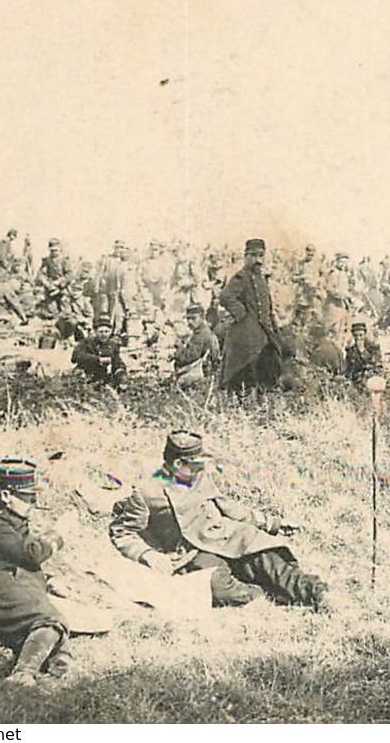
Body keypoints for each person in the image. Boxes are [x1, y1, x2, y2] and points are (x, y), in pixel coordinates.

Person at [109, 430, 332, 610]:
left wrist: (270, 522)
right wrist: (147, 554)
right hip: (193, 551)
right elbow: (123, 532)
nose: (202, 468)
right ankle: (264, 593)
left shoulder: (198, 476)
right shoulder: (147, 492)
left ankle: (316, 591)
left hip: (225, 534)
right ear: (178, 464)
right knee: (219, 589)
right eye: (196, 463)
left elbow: (227, 506)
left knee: (269, 560)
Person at [0, 459, 75, 684]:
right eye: (27, 497)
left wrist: (48, 580)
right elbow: (31, 554)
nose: (33, 502)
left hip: (11, 582)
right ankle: (23, 674)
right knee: (49, 621)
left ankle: (55, 661)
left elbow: (19, 559)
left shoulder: (13, 521)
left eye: (34, 496)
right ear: (6, 496)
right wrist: (58, 534)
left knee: (56, 627)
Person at [218, 238, 284, 392]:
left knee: (268, 370)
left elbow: (268, 307)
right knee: (244, 373)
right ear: (246, 256)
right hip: (246, 335)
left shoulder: (262, 278)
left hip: (264, 333)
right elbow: (225, 297)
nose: (258, 260)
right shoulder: (241, 277)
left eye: (261, 256)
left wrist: (274, 328)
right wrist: (241, 314)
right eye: (253, 256)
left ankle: (262, 404)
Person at [172, 303, 222, 386]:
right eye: (188, 319)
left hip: (202, 374)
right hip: (207, 373)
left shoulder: (200, 335)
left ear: (202, 318)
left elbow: (188, 358)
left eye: (193, 318)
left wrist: (179, 348)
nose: (190, 322)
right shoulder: (205, 331)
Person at [72, 314, 128, 386]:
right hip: (87, 374)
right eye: (101, 332)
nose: (104, 334)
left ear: (110, 332)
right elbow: (76, 356)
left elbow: (117, 361)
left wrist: (121, 373)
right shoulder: (87, 342)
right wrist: (98, 359)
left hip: (103, 376)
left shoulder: (113, 345)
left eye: (106, 332)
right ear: (96, 332)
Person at [345, 321, 384, 385]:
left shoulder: (373, 348)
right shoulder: (350, 351)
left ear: (365, 334)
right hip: (355, 383)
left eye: (361, 335)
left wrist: (362, 351)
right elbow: (348, 369)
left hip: (371, 381)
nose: (358, 338)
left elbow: (376, 364)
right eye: (355, 336)